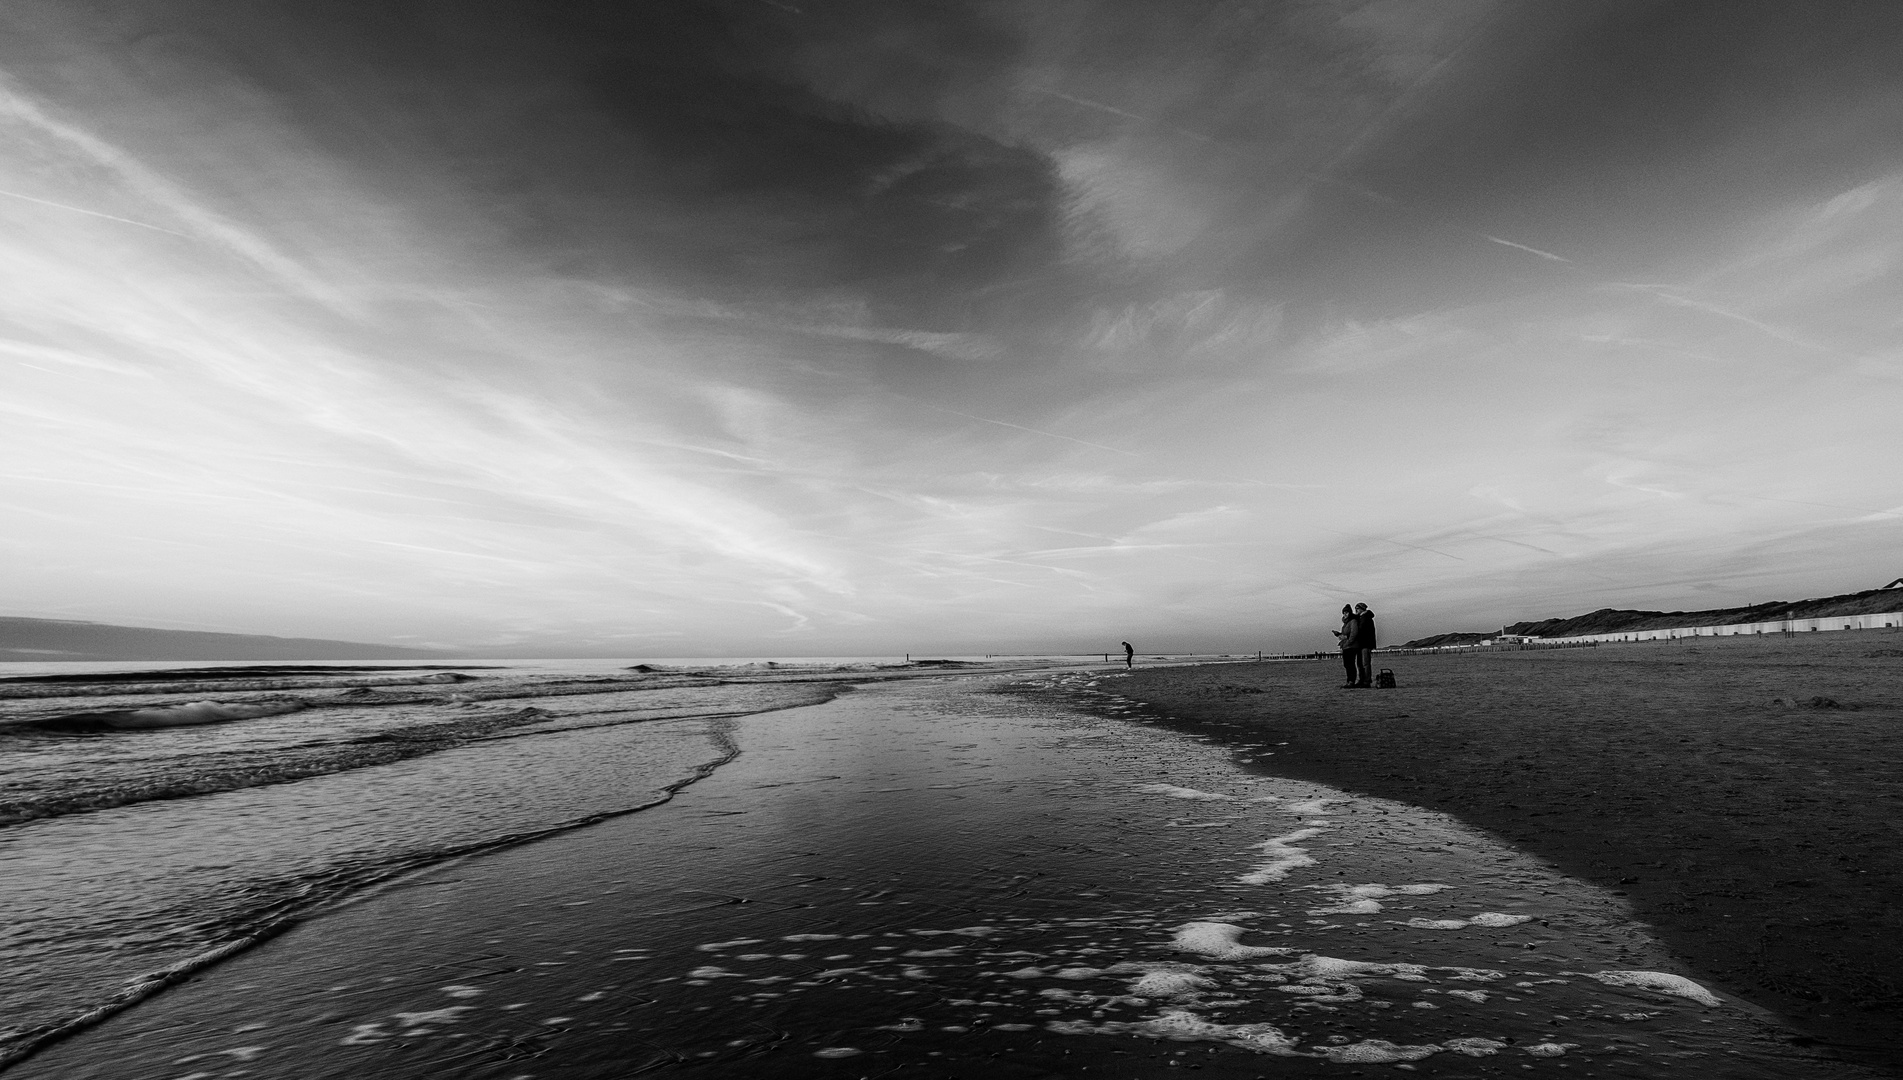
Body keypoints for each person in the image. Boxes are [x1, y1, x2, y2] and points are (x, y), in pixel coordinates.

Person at [1349, 603, 1378, 687]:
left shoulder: (1366, 618)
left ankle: (1366, 681)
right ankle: (1362, 680)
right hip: (1361, 644)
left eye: (1357, 608)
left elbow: (1362, 631)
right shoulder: (1362, 618)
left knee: (1365, 663)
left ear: (1362, 609)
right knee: (1360, 663)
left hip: (1365, 644)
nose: (1356, 610)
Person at [1332, 605, 1357, 687]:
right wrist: (1339, 634)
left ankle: (1351, 681)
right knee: (1346, 664)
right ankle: (1349, 680)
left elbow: (1354, 633)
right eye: (1344, 613)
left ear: (1350, 613)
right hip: (1345, 646)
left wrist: (1349, 641)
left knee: (1350, 664)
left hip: (1351, 646)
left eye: (1346, 612)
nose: (1345, 614)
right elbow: (1346, 634)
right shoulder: (1346, 623)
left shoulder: (1353, 621)